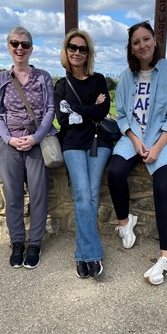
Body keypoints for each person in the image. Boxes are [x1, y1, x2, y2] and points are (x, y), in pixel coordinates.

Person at [107, 21, 167, 285]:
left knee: (163, 188)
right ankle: (124, 222)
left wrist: (156, 147)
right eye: (136, 42)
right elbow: (121, 115)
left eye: (146, 39)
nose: (142, 45)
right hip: (134, 137)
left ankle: (166, 258)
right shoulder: (124, 77)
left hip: (165, 140)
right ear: (130, 48)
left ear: (154, 40)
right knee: (115, 173)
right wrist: (133, 139)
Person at [0, 26, 57, 269]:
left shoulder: (43, 77)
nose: (20, 48)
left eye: (25, 44)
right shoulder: (1, 79)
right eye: (15, 43)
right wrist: (8, 139)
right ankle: (17, 242)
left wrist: (37, 137)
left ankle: (35, 244)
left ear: (31, 48)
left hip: (36, 142)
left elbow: (50, 109)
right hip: (10, 144)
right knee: (14, 196)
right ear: (8, 46)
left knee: (39, 195)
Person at [54, 28, 112, 279]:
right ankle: (91, 254)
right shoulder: (61, 85)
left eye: (82, 48)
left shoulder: (99, 79)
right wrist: (91, 108)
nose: (77, 52)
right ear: (66, 52)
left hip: (99, 141)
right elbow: (63, 120)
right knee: (82, 195)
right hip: (73, 144)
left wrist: (77, 109)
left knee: (90, 195)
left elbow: (104, 111)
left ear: (89, 53)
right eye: (72, 48)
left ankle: (82, 253)